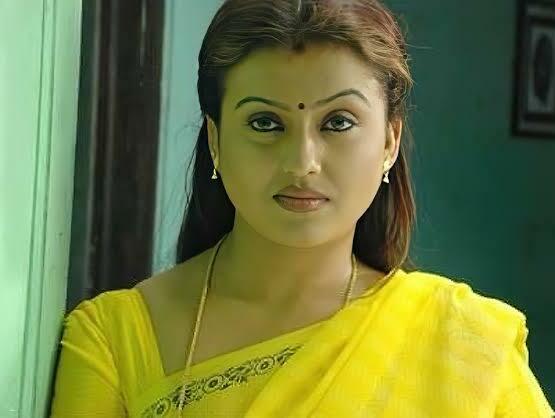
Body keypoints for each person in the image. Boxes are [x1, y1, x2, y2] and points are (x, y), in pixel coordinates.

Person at [49, 0, 554, 416]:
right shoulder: (114, 340)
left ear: (389, 142)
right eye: (265, 123)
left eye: (338, 123)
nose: (302, 162)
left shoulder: (466, 343)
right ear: (216, 140)